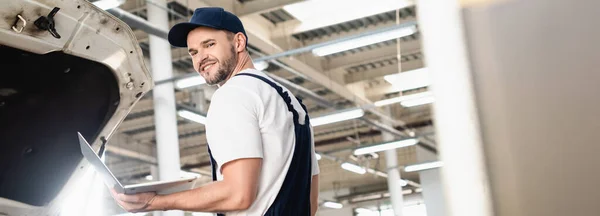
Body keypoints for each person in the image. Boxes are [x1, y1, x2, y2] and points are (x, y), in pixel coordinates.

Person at [110, 7, 320, 216]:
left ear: (238, 42)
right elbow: (311, 203)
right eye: (193, 52)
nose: (201, 58)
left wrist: (156, 201)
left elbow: (238, 195)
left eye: (209, 45)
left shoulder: (234, 94)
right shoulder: (292, 103)